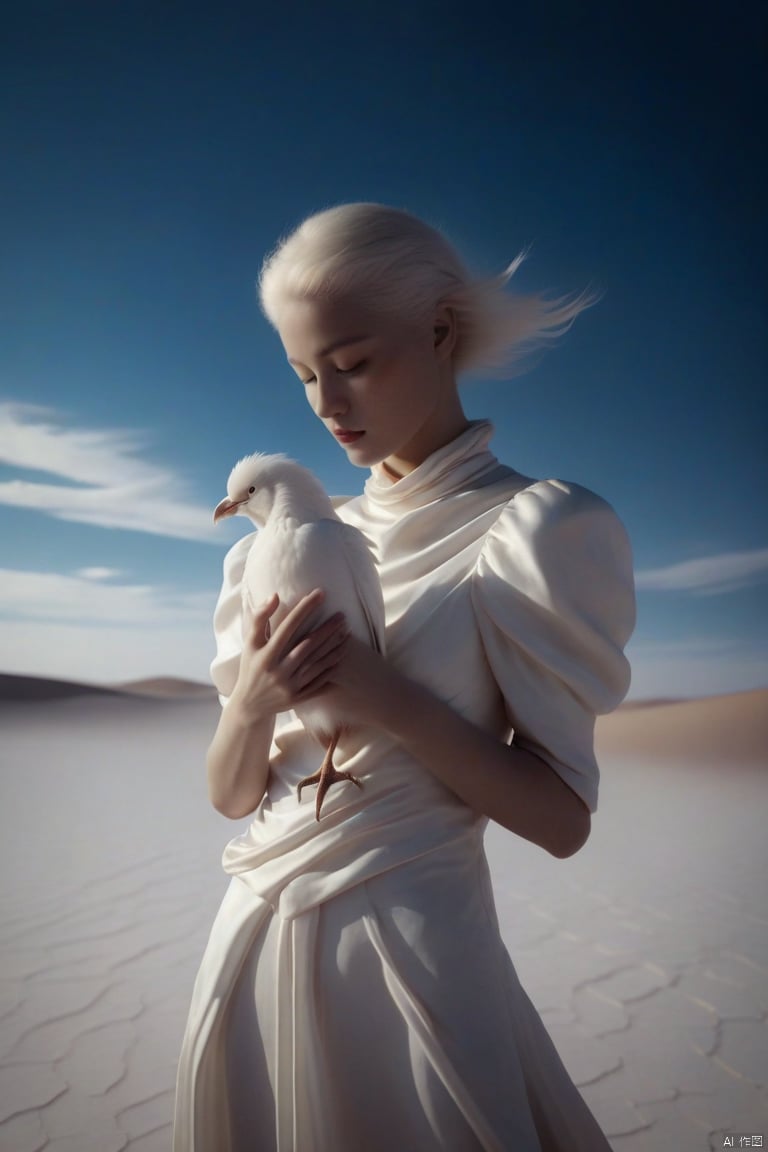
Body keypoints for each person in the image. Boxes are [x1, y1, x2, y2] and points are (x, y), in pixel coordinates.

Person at [172, 203, 636, 1151]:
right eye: (304, 374)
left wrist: (389, 700)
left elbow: (562, 822)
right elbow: (231, 796)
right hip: (251, 946)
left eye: (351, 364)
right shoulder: (271, 544)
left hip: (418, 973)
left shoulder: (537, 532)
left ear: (438, 331)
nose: (325, 406)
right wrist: (254, 702)